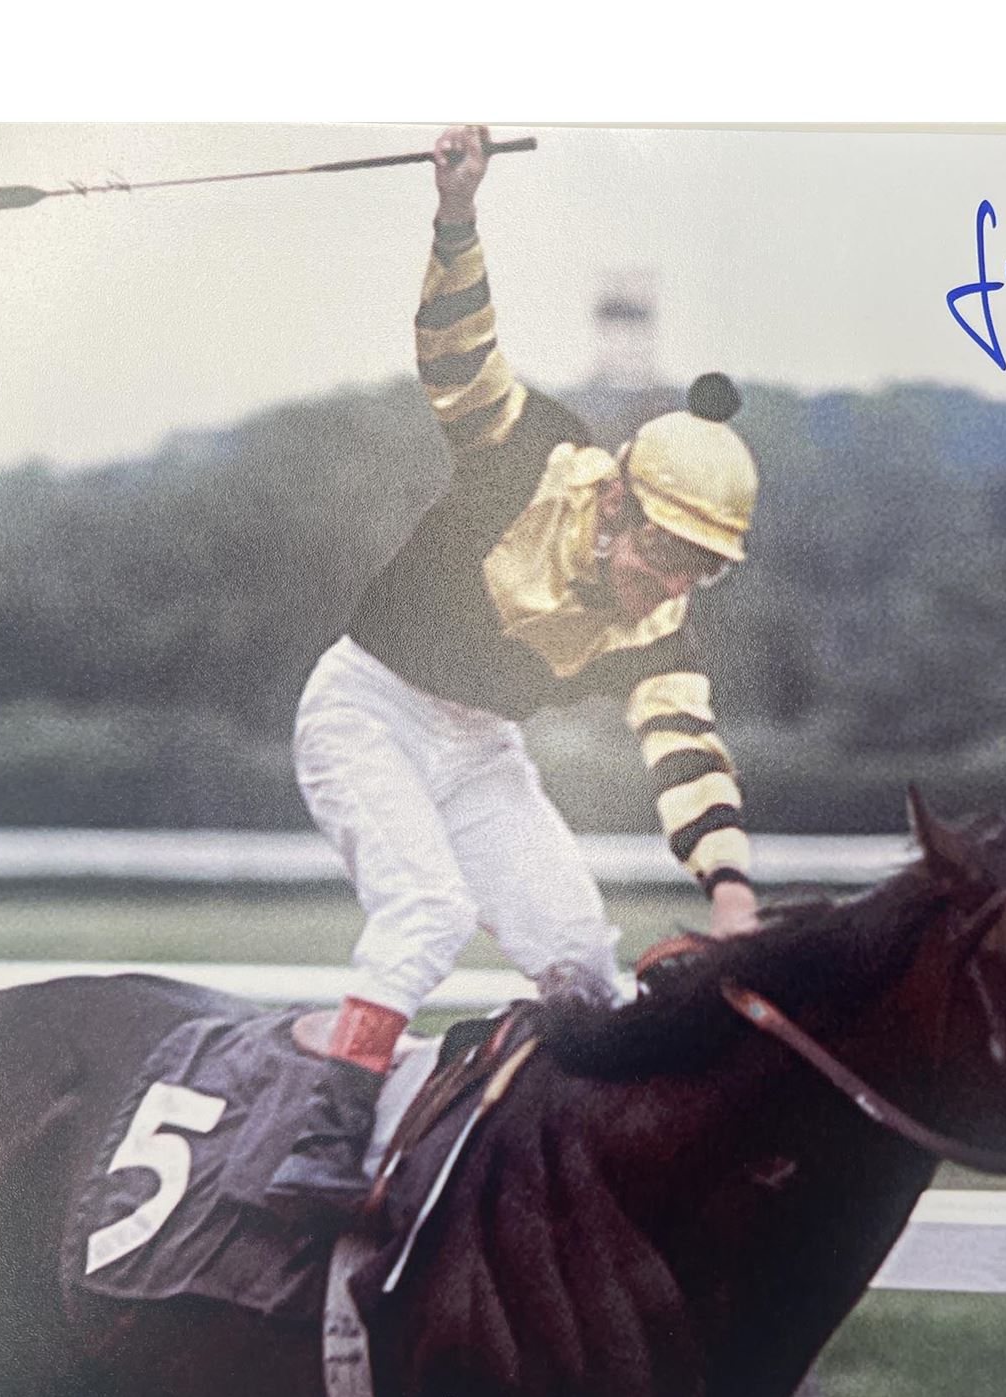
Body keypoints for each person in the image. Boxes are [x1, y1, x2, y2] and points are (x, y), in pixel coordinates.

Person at [267, 126, 761, 1214]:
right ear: (618, 500)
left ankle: (600, 1167)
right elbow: (458, 358)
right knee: (428, 911)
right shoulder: (530, 454)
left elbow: (686, 749)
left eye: (700, 569)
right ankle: (321, 1140)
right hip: (365, 709)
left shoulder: (661, 622)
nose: (670, 584)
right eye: (664, 551)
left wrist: (729, 893)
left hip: (480, 749)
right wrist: (457, 212)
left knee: (582, 957)